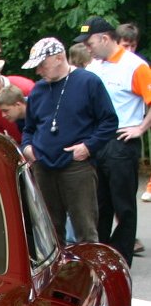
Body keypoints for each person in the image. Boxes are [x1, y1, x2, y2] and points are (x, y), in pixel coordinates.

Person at [20, 37, 117, 245]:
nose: (38, 71)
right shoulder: (38, 90)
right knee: (49, 232)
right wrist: (28, 147)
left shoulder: (88, 82)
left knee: (85, 228)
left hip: (77, 165)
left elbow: (109, 121)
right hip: (43, 166)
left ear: (58, 57)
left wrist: (88, 147)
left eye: (41, 65)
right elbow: (28, 128)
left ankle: (89, 275)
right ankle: (55, 276)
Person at [76, 16, 151, 264]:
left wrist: (141, 127)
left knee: (124, 206)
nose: (88, 48)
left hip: (122, 140)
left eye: (90, 42)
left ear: (105, 38)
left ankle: (121, 259)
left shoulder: (135, 65)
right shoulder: (95, 66)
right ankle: (101, 259)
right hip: (98, 141)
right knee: (99, 205)